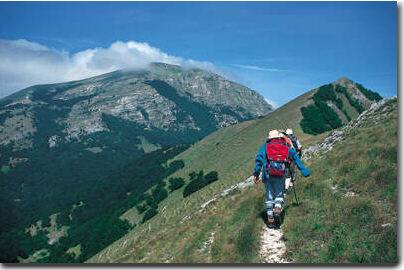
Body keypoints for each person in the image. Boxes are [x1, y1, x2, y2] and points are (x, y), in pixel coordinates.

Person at [253, 129, 311, 225]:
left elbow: (259, 160)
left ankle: (270, 218)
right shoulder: (285, 146)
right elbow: (295, 158)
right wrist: (304, 171)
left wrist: (256, 174)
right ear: (279, 137)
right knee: (279, 194)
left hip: (267, 175)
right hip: (281, 174)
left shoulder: (265, 147)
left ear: (269, 138)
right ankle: (278, 208)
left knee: (269, 196)